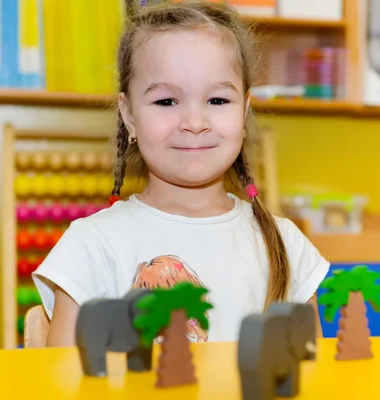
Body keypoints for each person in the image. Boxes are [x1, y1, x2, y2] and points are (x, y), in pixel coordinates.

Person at [32, 0, 330, 347]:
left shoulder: (285, 245)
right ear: (128, 115)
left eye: (217, 100)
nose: (194, 123)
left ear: (244, 111)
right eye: (166, 101)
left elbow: (312, 379)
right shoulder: (91, 246)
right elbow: (66, 384)